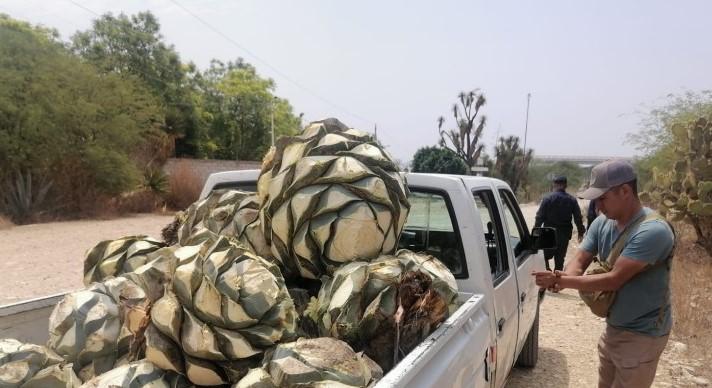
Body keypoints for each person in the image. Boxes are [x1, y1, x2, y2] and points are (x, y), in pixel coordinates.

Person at [532, 159, 675, 388]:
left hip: (643, 334)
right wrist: (562, 278)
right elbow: (580, 259)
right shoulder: (603, 223)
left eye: (603, 198)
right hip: (614, 328)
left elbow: (613, 279)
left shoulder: (653, 231)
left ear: (625, 191)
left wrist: (562, 280)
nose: (598, 206)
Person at [534, 175, 585, 271]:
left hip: (548, 234)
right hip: (564, 235)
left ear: (554, 185)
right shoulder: (572, 200)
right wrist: (580, 232)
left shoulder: (547, 199)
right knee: (559, 261)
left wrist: (535, 234)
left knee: (544, 258)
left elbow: (539, 217)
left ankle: (547, 275)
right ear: (565, 185)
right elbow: (578, 218)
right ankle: (556, 282)